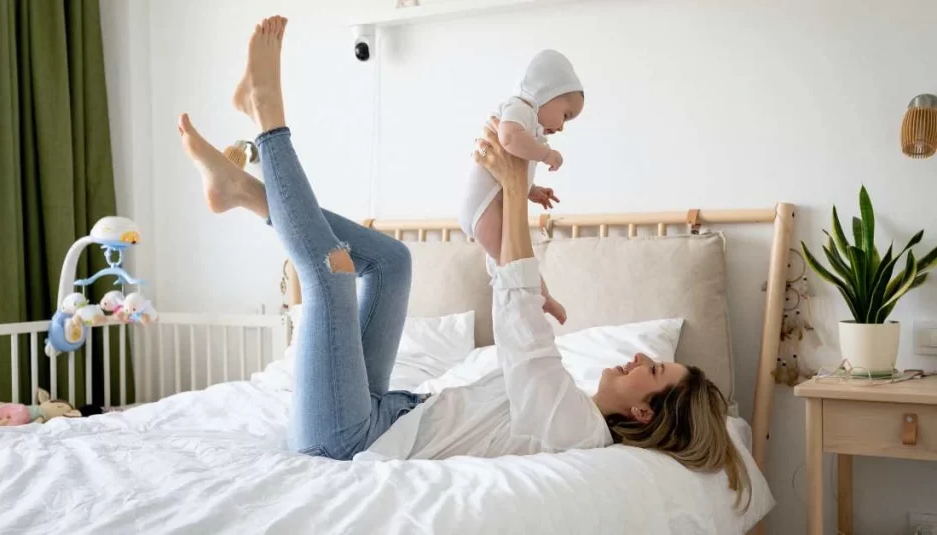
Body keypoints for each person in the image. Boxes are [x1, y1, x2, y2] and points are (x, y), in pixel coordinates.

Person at [177, 15, 750, 512]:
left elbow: (522, 330)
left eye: (655, 369)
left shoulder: (577, 429)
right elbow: (513, 293)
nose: (641, 358)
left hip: (346, 441)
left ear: (645, 414)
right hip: (387, 415)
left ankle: (266, 117)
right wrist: (506, 197)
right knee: (393, 261)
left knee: (333, 274)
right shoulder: (571, 404)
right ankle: (243, 192)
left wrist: (514, 185)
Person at [458, 49, 585, 325]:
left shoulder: (526, 122)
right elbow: (508, 139)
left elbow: (509, 170)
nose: (562, 127)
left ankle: (541, 296)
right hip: (482, 210)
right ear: (547, 92)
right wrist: (546, 154)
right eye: (565, 115)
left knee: (516, 261)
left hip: (489, 203)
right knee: (516, 265)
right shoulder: (520, 107)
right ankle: (542, 297)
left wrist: (532, 190)